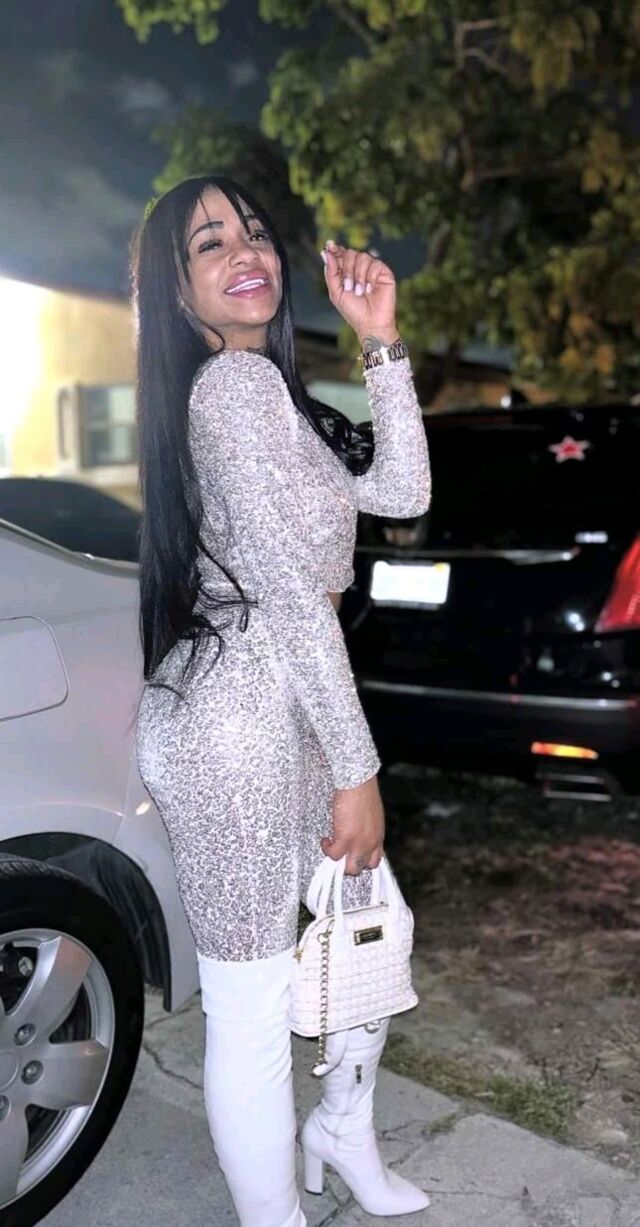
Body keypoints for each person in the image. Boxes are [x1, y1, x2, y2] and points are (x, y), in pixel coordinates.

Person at [131, 174, 432, 1227]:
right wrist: (359, 769)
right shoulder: (227, 391)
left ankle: (340, 1131)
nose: (244, 250)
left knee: (372, 923)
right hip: (236, 726)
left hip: (283, 702)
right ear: (177, 294)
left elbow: (400, 493)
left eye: (253, 231)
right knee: (252, 1003)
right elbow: (292, 597)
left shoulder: (267, 395)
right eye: (209, 242)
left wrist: (380, 341)